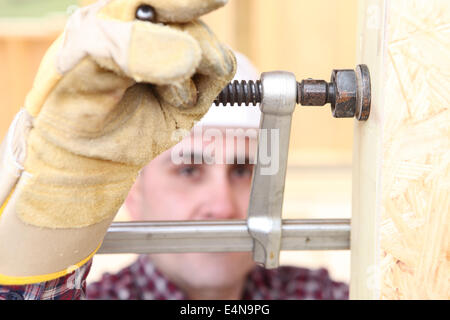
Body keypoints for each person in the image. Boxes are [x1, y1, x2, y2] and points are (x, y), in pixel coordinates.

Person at [86, 53, 349, 300]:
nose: (222, 207)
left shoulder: (316, 293)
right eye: (188, 170)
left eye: (242, 171)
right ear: (133, 194)